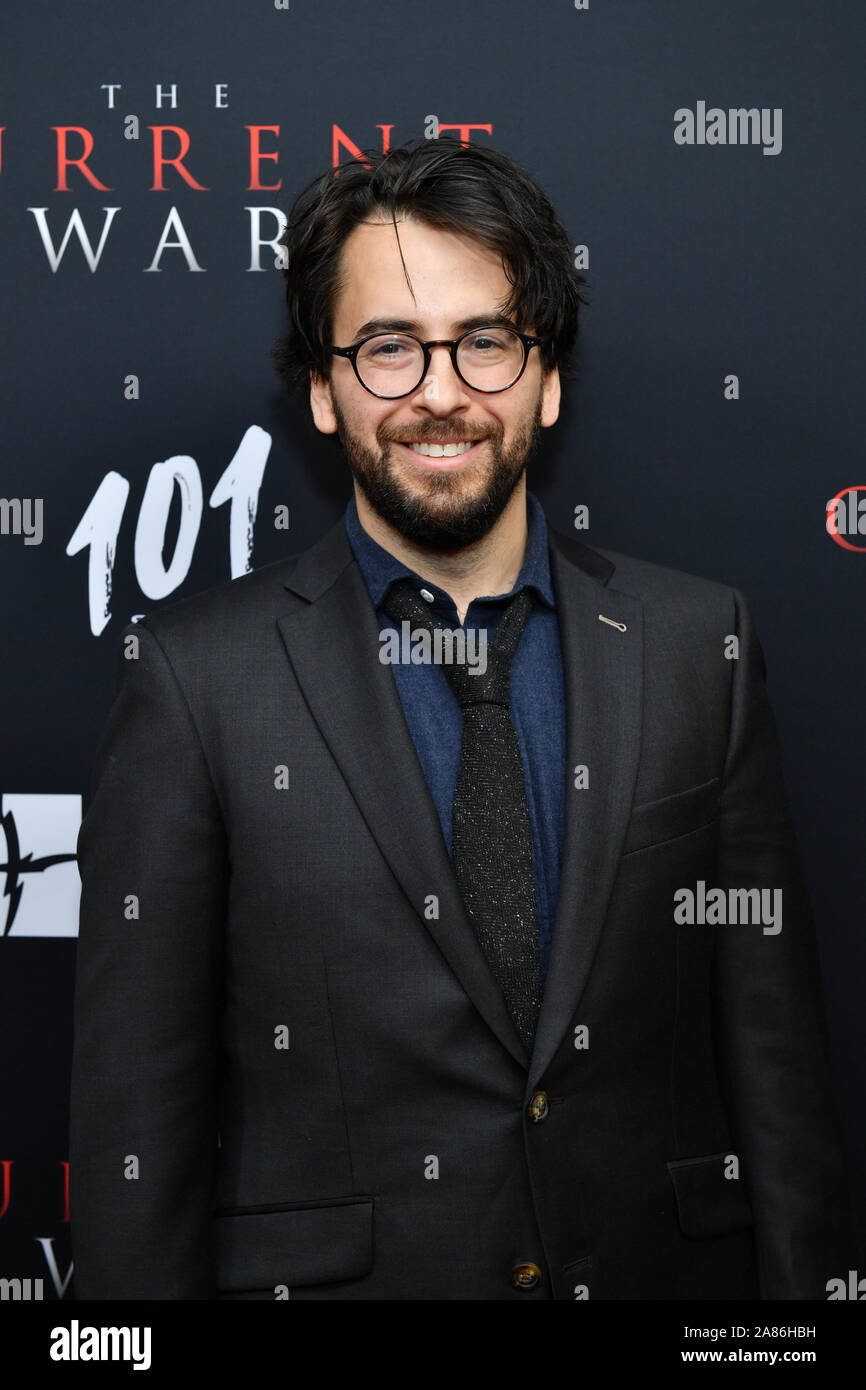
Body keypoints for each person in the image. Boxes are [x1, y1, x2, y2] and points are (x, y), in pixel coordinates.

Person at [69, 138, 853, 1300]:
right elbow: (140, 1124)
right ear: (323, 393)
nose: (440, 391)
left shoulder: (701, 649)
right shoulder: (197, 683)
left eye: (482, 341)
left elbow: (776, 1080)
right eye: (388, 347)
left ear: (544, 378)